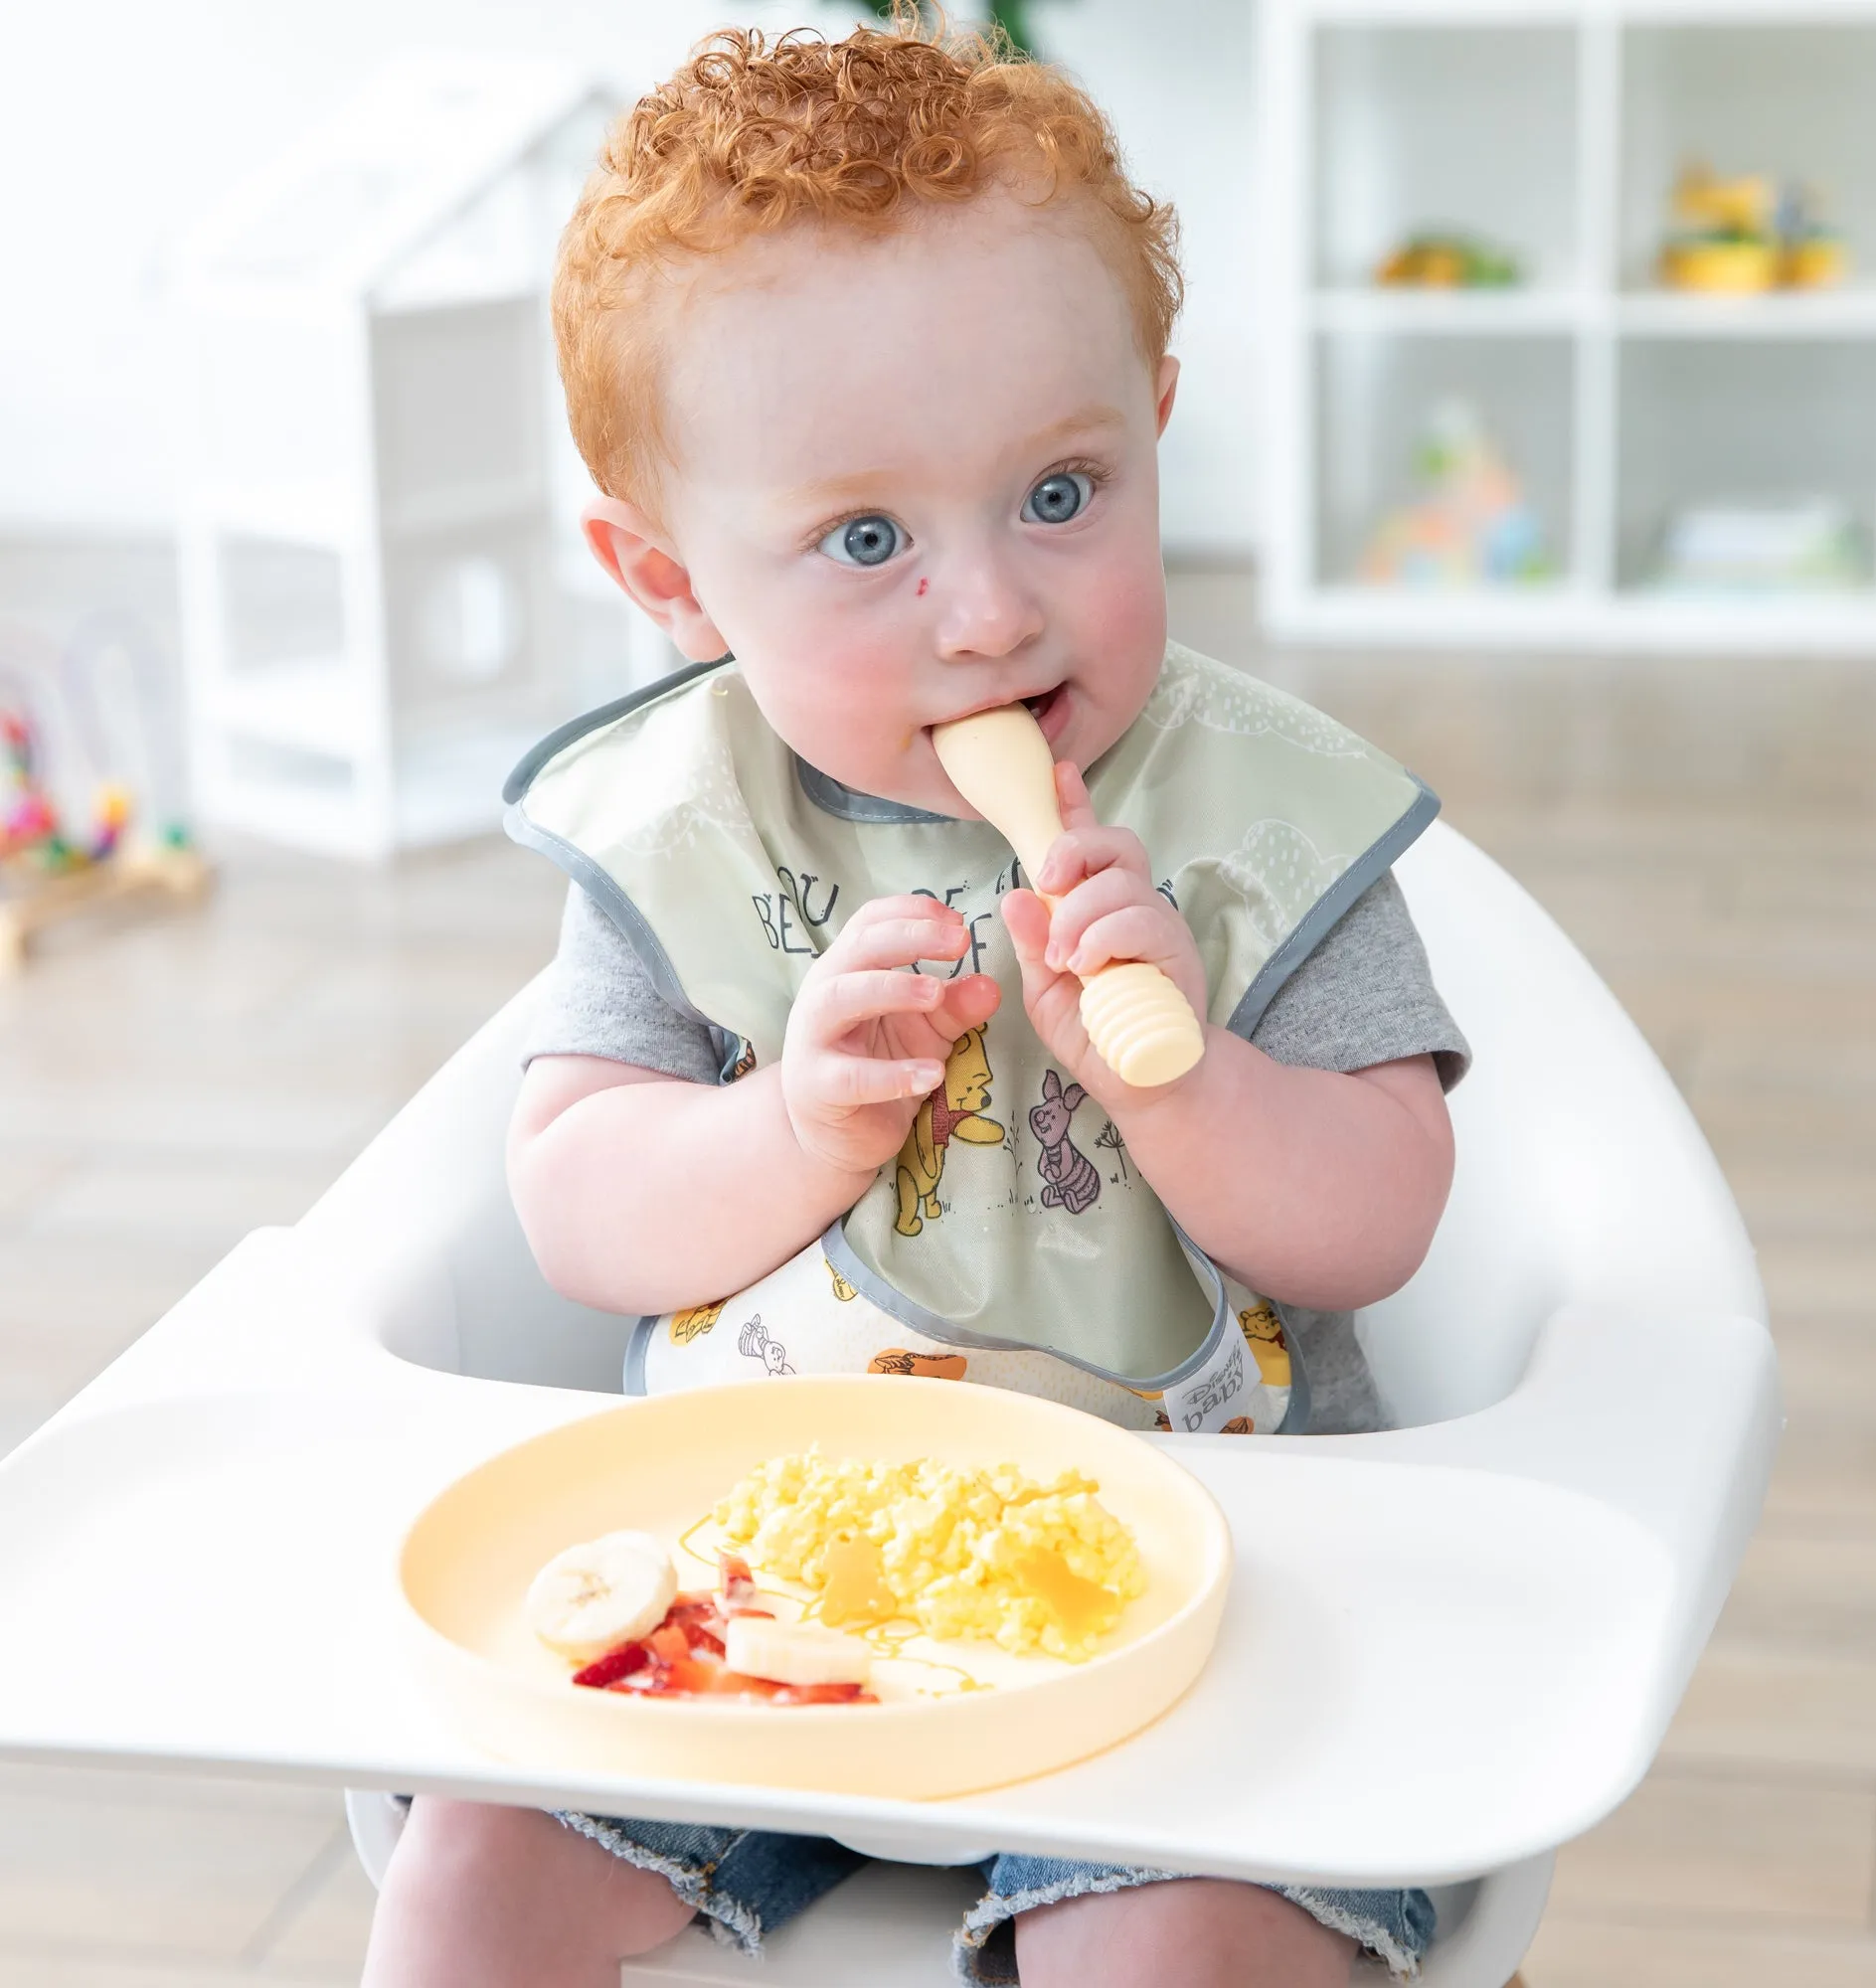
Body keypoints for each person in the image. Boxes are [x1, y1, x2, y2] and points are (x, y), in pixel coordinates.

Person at [362, 17, 1468, 1988]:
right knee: (465, 1881)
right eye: (864, 540)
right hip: (755, 1564)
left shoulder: (1256, 825)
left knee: (1172, 1952)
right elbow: (575, 1204)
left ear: (1156, 418)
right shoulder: (691, 831)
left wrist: (1193, 1083)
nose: (987, 609)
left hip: (1192, 1599)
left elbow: (1382, 1213)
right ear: (671, 580)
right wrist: (785, 1124)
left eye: (1060, 492)